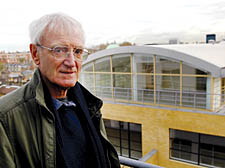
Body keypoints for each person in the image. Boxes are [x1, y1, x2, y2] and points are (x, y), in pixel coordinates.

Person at [0, 13, 120, 168]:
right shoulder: (5, 117)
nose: (71, 62)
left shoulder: (90, 105)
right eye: (59, 50)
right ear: (36, 54)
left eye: (77, 52)